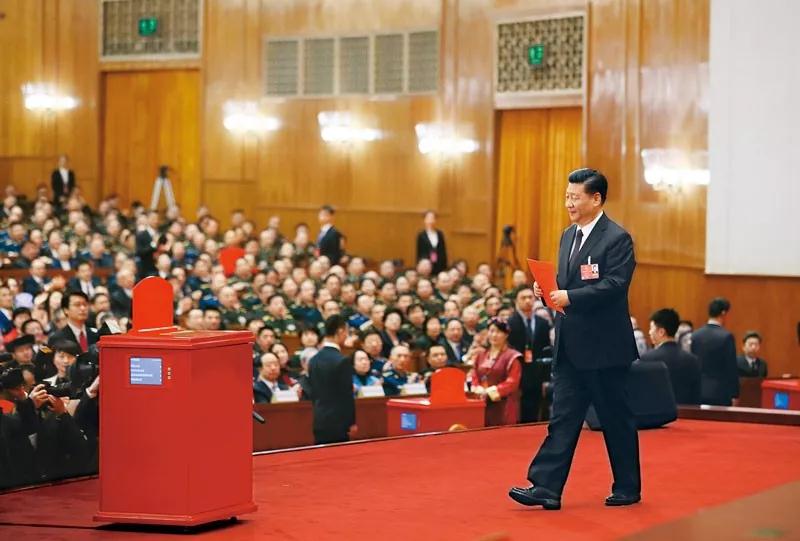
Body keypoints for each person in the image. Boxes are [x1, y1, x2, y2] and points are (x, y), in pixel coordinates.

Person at [509, 168, 641, 510]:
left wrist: (571, 296)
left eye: (575, 197)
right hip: (569, 346)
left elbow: (615, 285)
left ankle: (627, 487)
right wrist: (546, 290)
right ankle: (546, 487)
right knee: (563, 419)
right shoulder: (568, 235)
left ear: (596, 199)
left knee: (615, 420)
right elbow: (566, 284)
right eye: (566, 196)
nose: (568, 203)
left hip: (605, 349)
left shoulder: (617, 238)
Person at [307, 315, 356, 444]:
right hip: (339, 424)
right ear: (340, 331)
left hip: (319, 420)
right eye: (346, 332)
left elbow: (313, 393)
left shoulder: (314, 360)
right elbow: (346, 395)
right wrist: (351, 422)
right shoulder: (342, 361)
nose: (346, 335)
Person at [507, 286, 552, 422]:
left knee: (535, 410)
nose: (527, 301)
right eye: (523, 298)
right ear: (516, 301)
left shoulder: (543, 323)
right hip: (518, 371)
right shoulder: (510, 323)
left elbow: (546, 351)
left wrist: (545, 378)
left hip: (537, 372)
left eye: (530, 297)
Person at [640, 308, 701, 405]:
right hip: (685, 412)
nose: (649, 332)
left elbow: (642, 394)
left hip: (656, 412)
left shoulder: (647, 359)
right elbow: (696, 396)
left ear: (661, 332)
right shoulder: (692, 360)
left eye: (651, 328)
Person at [468, 318, 522, 426]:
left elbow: (513, 382)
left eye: (498, 332)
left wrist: (491, 391)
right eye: (492, 331)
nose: (494, 335)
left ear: (506, 335)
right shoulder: (481, 355)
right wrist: (477, 388)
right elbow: (474, 375)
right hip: (482, 403)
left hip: (504, 404)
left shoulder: (512, 356)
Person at [691, 297, 739, 406]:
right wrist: (735, 394)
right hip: (720, 393)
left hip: (697, 391)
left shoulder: (695, 335)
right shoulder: (726, 336)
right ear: (723, 313)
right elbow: (731, 367)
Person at [415, 210, 448, 275]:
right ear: (424, 220)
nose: (430, 221)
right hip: (427, 266)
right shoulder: (421, 235)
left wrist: (445, 267)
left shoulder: (440, 234)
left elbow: (443, 251)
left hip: (439, 265)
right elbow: (419, 253)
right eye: (428, 218)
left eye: (432, 218)